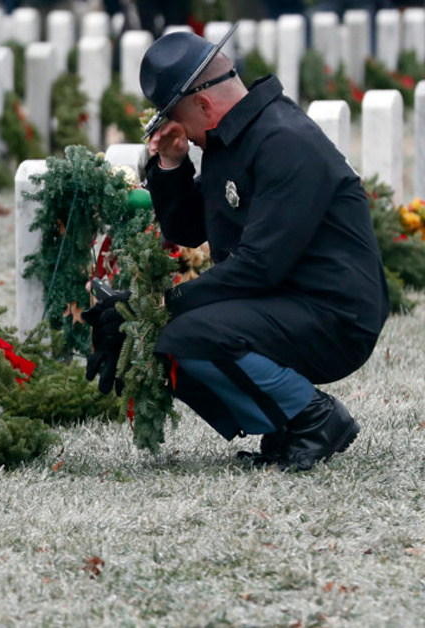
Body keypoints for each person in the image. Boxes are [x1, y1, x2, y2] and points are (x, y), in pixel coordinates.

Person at [84, 28, 388, 471]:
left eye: (178, 123)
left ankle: (315, 418)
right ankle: (285, 425)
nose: (183, 135)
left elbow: (259, 266)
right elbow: (188, 229)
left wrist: (162, 304)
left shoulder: (284, 141)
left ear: (204, 106)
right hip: (287, 299)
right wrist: (171, 162)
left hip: (335, 313)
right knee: (181, 333)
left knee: (190, 335)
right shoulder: (236, 138)